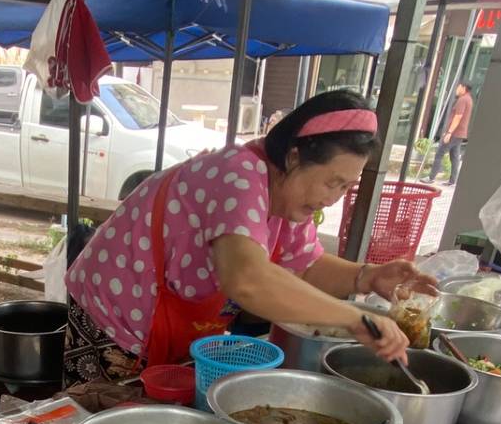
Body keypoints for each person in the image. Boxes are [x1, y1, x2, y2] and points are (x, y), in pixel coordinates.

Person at [64, 89, 436, 382]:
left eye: (345, 187)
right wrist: (354, 318)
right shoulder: (239, 174)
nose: (334, 198)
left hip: (172, 328)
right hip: (115, 316)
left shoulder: (288, 199)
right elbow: (247, 280)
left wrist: (368, 276)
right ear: (294, 157)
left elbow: (306, 266)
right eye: (332, 182)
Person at [425, 80, 473, 184]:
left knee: (439, 153)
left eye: (458, 87)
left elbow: (458, 116)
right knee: (454, 157)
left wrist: (449, 132)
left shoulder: (462, 100)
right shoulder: (469, 99)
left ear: (463, 88)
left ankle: (431, 178)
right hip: (460, 133)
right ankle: (453, 180)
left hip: (454, 133)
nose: (456, 89)